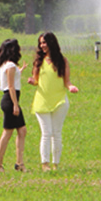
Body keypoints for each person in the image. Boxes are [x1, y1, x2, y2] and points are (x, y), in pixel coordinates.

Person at [27, 32, 79, 172]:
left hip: (59, 101)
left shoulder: (62, 61)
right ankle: (45, 164)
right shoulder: (39, 61)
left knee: (56, 133)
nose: (42, 45)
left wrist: (71, 87)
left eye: (44, 42)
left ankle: (56, 164)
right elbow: (36, 80)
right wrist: (32, 81)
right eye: (40, 43)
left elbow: (66, 82)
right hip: (42, 101)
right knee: (46, 132)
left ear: (51, 43)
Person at [0, 39, 27, 172]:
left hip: (9, 99)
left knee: (21, 130)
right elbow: (11, 86)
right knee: (7, 132)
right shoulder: (10, 66)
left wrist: (21, 70)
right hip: (10, 99)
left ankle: (19, 163)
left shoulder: (6, 65)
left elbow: (12, 79)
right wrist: (15, 105)